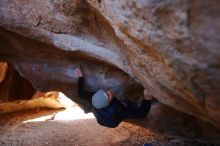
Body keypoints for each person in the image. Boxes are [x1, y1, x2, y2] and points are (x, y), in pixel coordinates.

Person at [76, 67, 153, 128]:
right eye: (108, 95)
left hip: (100, 118)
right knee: (131, 107)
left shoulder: (93, 98)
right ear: (108, 103)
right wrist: (147, 98)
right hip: (112, 122)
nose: (109, 92)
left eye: (105, 92)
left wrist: (80, 77)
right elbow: (141, 114)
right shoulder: (118, 110)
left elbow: (80, 93)